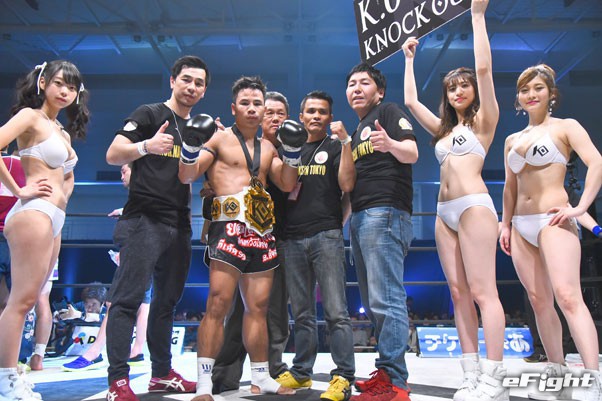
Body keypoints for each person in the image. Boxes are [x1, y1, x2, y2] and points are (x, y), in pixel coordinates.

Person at [402, 1, 508, 400]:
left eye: (463, 85)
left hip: (474, 207)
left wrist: (477, 17)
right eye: (451, 87)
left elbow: (485, 69)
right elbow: (411, 103)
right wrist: (409, 59)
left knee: (484, 292)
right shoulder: (443, 131)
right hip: (443, 214)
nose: (458, 90)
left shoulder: (484, 121)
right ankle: (470, 375)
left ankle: (494, 378)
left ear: (473, 91)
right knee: (459, 294)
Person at [178, 76, 302, 401]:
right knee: (217, 304)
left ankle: (261, 377)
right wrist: (190, 147)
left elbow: (287, 183)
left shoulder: (269, 147)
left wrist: (293, 153)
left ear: (263, 108)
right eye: (245, 103)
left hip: (261, 232)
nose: (252, 108)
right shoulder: (219, 139)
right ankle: (204, 383)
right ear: (233, 108)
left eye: (257, 103)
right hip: (227, 228)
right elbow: (187, 175)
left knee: (258, 308)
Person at [104, 55, 210, 400]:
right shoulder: (149, 114)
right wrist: (146, 146)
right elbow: (113, 154)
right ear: (173, 81)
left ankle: (161, 374)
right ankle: (118, 381)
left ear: (204, 90)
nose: (192, 87)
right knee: (127, 300)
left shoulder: (196, 128)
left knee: (166, 303)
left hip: (179, 223)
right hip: (144, 219)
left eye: (199, 83)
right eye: (186, 79)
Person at [499, 63, 602, 401]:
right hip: (520, 225)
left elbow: (597, 163)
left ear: (551, 94)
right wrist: (505, 223)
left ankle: (593, 377)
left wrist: (580, 207)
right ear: (518, 97)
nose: (531, 94)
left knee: (568, 297)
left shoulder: (565, 127)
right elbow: (510, 187)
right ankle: (557, 374)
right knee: (539, 301)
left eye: (538, 88)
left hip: (554, 219)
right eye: (524, 90)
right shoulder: (512, 140)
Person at [0, 59, 89, 401]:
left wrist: (64, 196)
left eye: (72, 87)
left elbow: (67, 175)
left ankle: (12, 375)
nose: (65, 91)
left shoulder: (61, 131)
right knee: (21, 301)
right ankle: (6, 379)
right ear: (43, 83)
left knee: (33, 299)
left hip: (54, 217)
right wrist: (19, 189)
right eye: (59, 83)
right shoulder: (30, 117)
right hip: (33, 212)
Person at [341, 60, 418, 401]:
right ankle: (386, 372)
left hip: (385, 212)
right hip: (362, 217)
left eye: (364, 83)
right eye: (351, 84)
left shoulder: (388, 111)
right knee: (374, 302)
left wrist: (390, 144)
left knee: (387, 298)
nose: (356, 88)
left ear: (380, 91)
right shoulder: (360, 128)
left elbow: (412, 152)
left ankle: (395, 383)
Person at [273, 90, 356, 400]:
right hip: (291, 238)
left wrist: (346, 143)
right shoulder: (286, 148)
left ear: (330, 117)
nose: (316, 116)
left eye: (322, 111)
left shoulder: (334, 147)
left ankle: (344, 376)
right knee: (302, 313)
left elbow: (347, 185)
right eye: (311, 111)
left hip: (326, 236)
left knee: (336, 311)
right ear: (301, 115)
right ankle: (302, 372)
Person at [211, 91, 292, 394]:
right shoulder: (235, 143)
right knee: (233, 310)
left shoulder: (291, 148)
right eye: (269, 112)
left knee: (273, 311)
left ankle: (269, 372)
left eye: (280, 113)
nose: (274, 118)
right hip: (239, 234)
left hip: (279, 237)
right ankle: (224, 375)